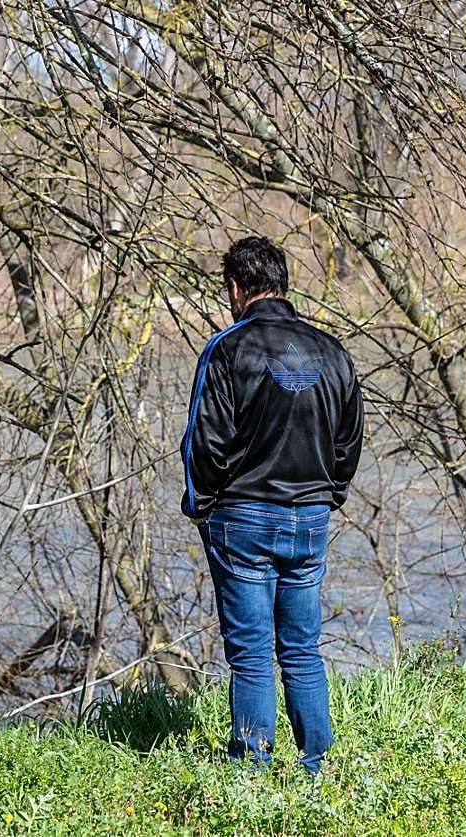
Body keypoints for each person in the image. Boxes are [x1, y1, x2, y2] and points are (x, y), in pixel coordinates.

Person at [181, 236, 364, 775]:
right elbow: (349, 441)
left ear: (236, 289)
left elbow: (203, 444)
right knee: (303, 651)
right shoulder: (333, 352)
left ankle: (253, 770)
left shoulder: (226, 349)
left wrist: (203, 507)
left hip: (242, 518)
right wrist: (327, 495)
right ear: (283, 285)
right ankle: (318, 766)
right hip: (310, 519)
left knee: (253, 654)